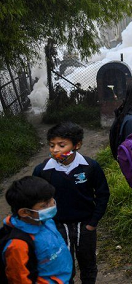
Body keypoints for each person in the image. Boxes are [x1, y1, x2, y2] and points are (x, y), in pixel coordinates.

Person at [32, 122, 110, 284]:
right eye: (52, 145)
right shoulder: (43, 171)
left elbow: (102, 194)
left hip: (85, 225)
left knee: (88, 263)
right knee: (64, 266)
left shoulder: (90, 167)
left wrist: (93, 222)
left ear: (77, 145)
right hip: (57, 226)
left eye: (61, 145)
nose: (55, 150)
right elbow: (34, 199)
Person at [2, 176, 72, 283]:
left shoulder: (47, 221)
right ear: (24, 212)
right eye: (44, 205)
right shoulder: (18, 244)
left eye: (51, 200)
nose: (52, 205)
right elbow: (19, 279)